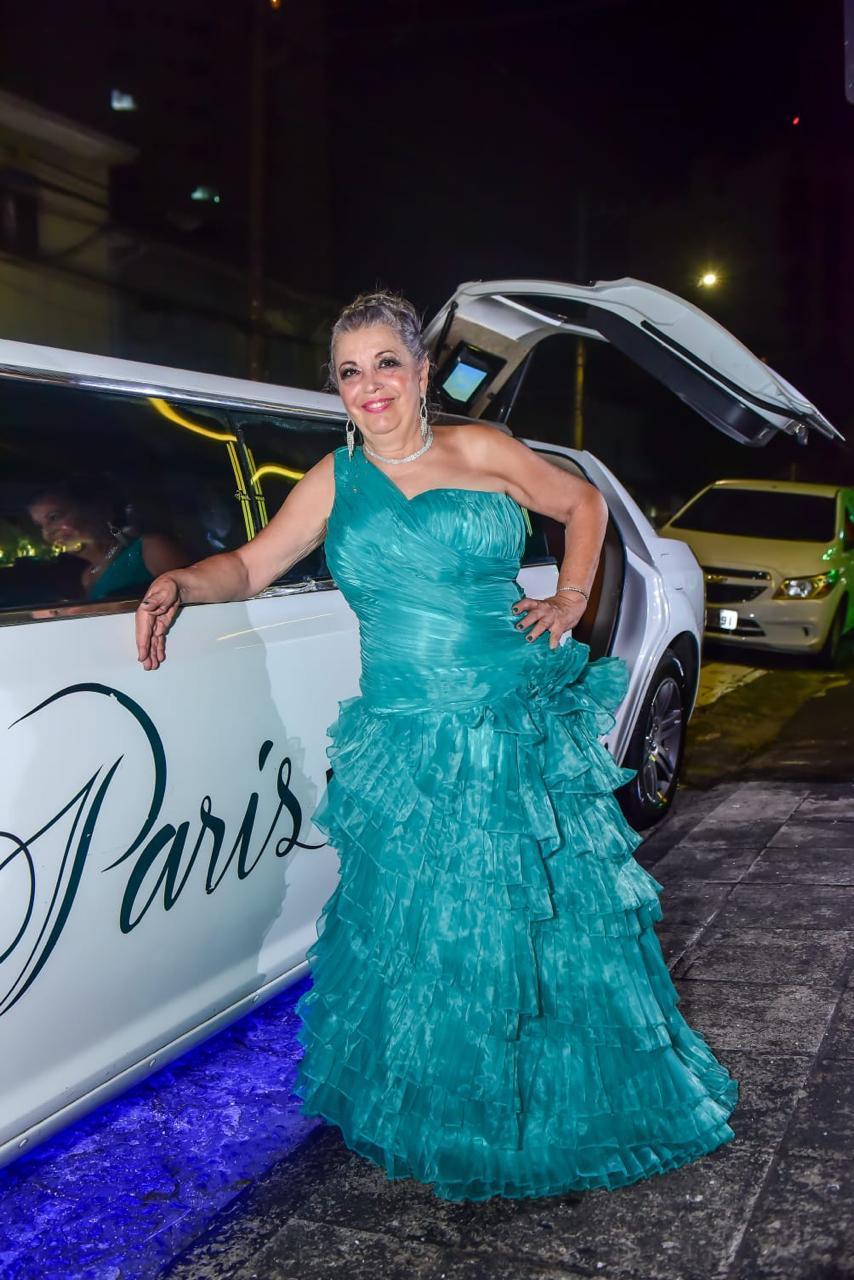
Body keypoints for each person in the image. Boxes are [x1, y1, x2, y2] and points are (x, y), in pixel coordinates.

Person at [135, 291, 737, 1202]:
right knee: (432, 929)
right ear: (339, 389)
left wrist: (572, 598)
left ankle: (554, 1102)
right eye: (350, 371)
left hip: (508, 720)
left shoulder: (482, 449)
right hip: (407, 737)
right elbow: (253, 563)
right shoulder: (334, 479)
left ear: (422, 372)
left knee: (537, 922)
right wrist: (181, 582)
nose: (370, 385)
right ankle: (456, 1108)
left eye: (386, 363)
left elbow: (581, 504)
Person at [28, 480, 187, 603]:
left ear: (99, 510)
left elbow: (192, 600)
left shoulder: (152, 548)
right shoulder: (88, 576)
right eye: (40, 526)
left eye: (54, 517)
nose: (48, 533)